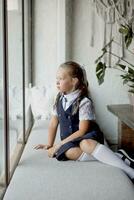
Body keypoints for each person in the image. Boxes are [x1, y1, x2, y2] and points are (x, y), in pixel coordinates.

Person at [34, 61, 134, 183]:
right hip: (70, 140)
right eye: (57, 78)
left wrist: (58, 144)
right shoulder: (59, 98)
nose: (57, 82)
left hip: (87, 136)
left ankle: (129, 171)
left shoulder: (84, 102)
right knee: (69, 153)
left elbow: (82, 131)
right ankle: (114, 156)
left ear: (74, 81)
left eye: (61, 78)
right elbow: (53, 123)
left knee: (85, 144)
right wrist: (49, 144)